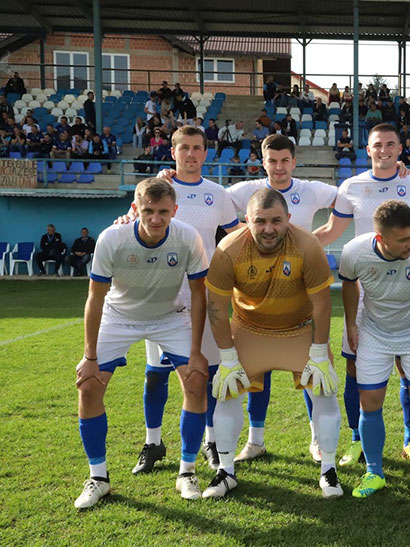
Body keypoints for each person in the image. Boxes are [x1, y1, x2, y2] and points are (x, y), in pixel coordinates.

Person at [73, 178, 210, 509]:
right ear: (135, 209)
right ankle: (99, 478)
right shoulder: (112, 239)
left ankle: (187, 472)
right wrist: (89, 356)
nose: (155, 218)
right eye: (147, 210)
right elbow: (94, 298)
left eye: (163, 211)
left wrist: (195, 353)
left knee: (195, 381)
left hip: (169, 316)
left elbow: (198, 294)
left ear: (174, 210)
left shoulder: (187, 237)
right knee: (88, 385)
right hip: (118, 317)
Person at [203, 188, 342, 499]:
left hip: (299, 330)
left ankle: (329, 469)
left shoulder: (308, 246)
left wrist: (319, 352)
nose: (268, 229)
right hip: (249, 330)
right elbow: (216, 307)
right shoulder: (228, 249)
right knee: (227, 393)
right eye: (260, 221)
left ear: (289, 219)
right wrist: (226, 357)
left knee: (326, 390)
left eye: (276, 221)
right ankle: (225, 471)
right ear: (246, 220)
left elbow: (321, 304)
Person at [118, 126, 241, 476]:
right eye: (184, 147)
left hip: (206, 296)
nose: (190, 154)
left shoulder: (218, 194)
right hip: (161, 298)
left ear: (206, 153)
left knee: (209, 372)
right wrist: (124, 220)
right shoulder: (158, 190)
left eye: (197, 148)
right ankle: (153, 442)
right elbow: (133, 222)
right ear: (173, 152)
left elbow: (236, 236)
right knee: (157, 374)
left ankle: (212, 441)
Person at [314, 123, 410, 468]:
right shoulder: (352, 186)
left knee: (407, 368)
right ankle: (357, 438)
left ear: (400, 149)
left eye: (390, 144)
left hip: (406, 290)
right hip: (363, 289)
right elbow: (331, 230)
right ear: (368, 149)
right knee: (355, 367)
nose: (384, 150)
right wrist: (297, 244)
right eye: (377, 144)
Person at [225, 134, 338, 463]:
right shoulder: (247, 192)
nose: (279, 167)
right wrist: (168, 176)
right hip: (257, 296)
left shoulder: (311, 190)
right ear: (263, 162)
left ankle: (317, 439)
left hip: (300, 296)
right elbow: (211, 200)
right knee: (258, 373)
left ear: (294, 161)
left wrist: (317, 240)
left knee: (310, 369)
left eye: (284, 160)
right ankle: (255, 439)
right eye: (272, 161)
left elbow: (349, 200)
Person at [339, 200, 410, 499]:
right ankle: (374, 473)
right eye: (403, 239)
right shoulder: (355, 252)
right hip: (374, 333)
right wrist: (351, 323)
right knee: (371, 401)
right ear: (381, 239)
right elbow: (349, 284)